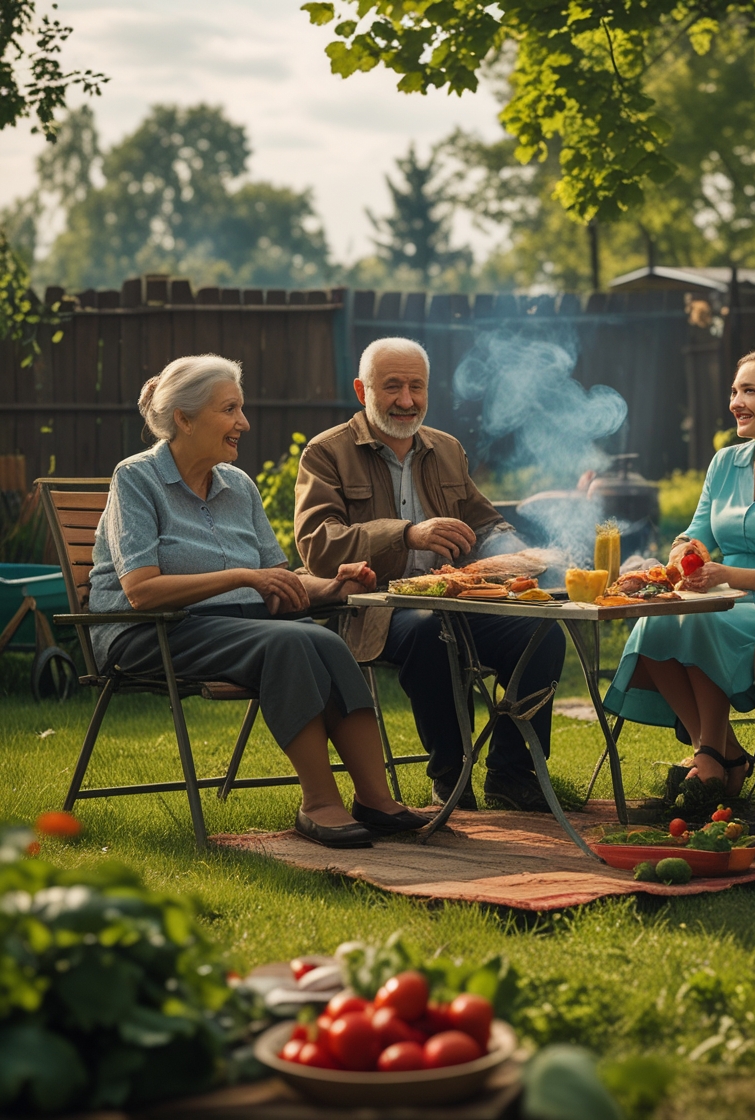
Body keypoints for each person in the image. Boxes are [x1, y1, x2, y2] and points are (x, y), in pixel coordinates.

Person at [88, 354, 427, 850]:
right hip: (150, 631)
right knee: (289, 643)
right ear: (183, 418)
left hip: (237, 627)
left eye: (240, 409)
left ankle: (375, 797)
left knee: (324, 639)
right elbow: (140, 590)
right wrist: (240, 577)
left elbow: (279, 579)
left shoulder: (239, 486)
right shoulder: (136, 479)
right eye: (229, 410)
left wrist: (331, 586)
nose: (243, 423)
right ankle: (318, 803)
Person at [293, 337, 566, 812]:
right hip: (373, 607)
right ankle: (450, 774)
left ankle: (512, 774)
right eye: (392, 387)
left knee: (542, 629)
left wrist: (522, 552)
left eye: (416, 387)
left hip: (457, 599)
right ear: (363, 390)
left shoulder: (445, 448)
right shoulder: (326, 452)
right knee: (427, 627)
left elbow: (484, 524)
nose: (406, 400)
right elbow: (317, 545)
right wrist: (406, 535)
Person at [602, 347, 755, 797]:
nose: (736, 401)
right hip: (722, 595)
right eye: (735, 391)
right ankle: (715, 754)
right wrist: (679, 556)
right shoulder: (724, 462)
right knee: (650, 628)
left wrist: (723, 574)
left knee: (706, 621)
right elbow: (693, 534)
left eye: (750, 391)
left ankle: (713, 759)